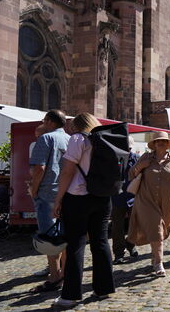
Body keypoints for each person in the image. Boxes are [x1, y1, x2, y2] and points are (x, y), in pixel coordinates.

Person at [51, 113, 114, 308]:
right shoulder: (106, 138)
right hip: (103, 197)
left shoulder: (78, 139)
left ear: (77, 125)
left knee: (76, 244)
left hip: (78, 197)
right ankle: (103, 288)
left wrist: (58, 199)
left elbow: (68, 171)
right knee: (101, 242)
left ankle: (70, 295)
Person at [127, 131, 170, 276]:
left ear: (168, 144)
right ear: (153, 144)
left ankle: (155, 256)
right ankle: (159, 263)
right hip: (146, 201)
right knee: (157, 231)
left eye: (163, 141)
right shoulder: (146, 157)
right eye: (158, 141)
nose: (160, 143)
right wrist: (141, 166)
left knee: (162, 231)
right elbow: (131, 174)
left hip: (166, 203)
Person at [29, 109, 70, 292]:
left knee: (49, 239)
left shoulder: (46, 138)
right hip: (67, 194)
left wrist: (34, 190)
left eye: (44, 120)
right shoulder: (70, 139)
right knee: (64, 237)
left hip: (48, 194)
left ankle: (54, 276)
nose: (43, 123)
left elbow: (39, 168)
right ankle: (65, 274)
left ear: (50, 122)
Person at [111, 136, 139, 264]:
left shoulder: (137, 159)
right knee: (117, 227)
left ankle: (131, 244)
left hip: (133, 197)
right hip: (117, 197)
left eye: (129, 148)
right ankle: (118, 253)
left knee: (136, 224)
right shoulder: (114, 158)